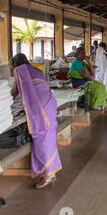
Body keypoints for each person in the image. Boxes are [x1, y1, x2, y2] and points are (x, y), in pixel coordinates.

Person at [11, 53, 62, 189]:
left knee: (41, 138)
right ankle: (52, 170)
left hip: (40, 108)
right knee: (49, 136)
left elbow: (16, 91)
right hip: (49, 103)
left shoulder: (20, 71)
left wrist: (8, 101)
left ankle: (48, 175)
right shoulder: (35, 69)